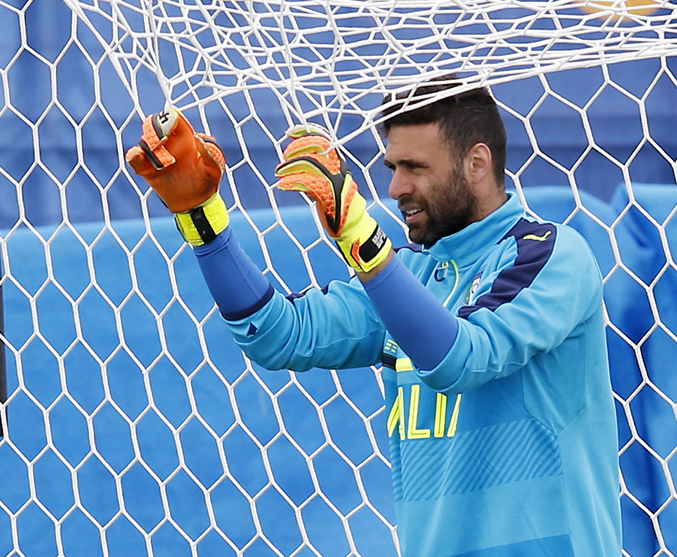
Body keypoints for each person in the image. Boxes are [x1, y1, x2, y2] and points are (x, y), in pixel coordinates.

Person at [125, 75, 622, 557]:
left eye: (415, 168)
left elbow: (462, 358)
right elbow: (276, 335)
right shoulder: (408, 273)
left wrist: (358, 235)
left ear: (476, 163)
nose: (396, 188)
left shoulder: (552, 255)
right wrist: (199, 215)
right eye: (391, 168)